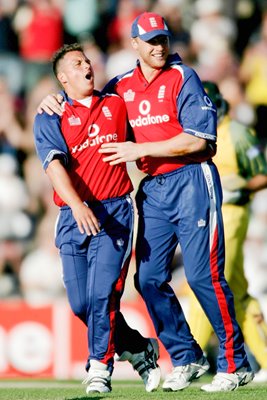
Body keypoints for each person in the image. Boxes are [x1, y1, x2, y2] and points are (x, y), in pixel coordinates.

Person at [37, 13, 254, 392]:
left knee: (204, 276)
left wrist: (141, 148)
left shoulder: (182, 77)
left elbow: (198, 140)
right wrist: (51, 98)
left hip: (191, 179)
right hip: (153, 188)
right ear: (134, 45)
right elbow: (86, 105)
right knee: (149, 279)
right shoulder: (120, 87)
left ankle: (235, 362)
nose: (159, 47)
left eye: (163, 40)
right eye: (150, 41)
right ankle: (185, 356)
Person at [33, 43, 161, 394]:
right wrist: (76, 205)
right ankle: (137, 348)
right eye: (77, 63)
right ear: (63, 78)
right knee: (81, 305)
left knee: (102, 295)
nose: (87, 65)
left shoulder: (117, 102)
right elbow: (54, 166)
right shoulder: (50, 114)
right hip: (73, 214)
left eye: (88, 60)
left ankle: (99, 369)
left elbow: (150, 94)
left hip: (114, 211)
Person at [186, 81, 267, 383]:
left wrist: (240, 186)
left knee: (207, 278)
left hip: (231, 214)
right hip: (205, 214)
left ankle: (189, 357)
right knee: (239, 291)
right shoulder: (194, 133)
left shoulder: (236, 133)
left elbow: (263, 173)